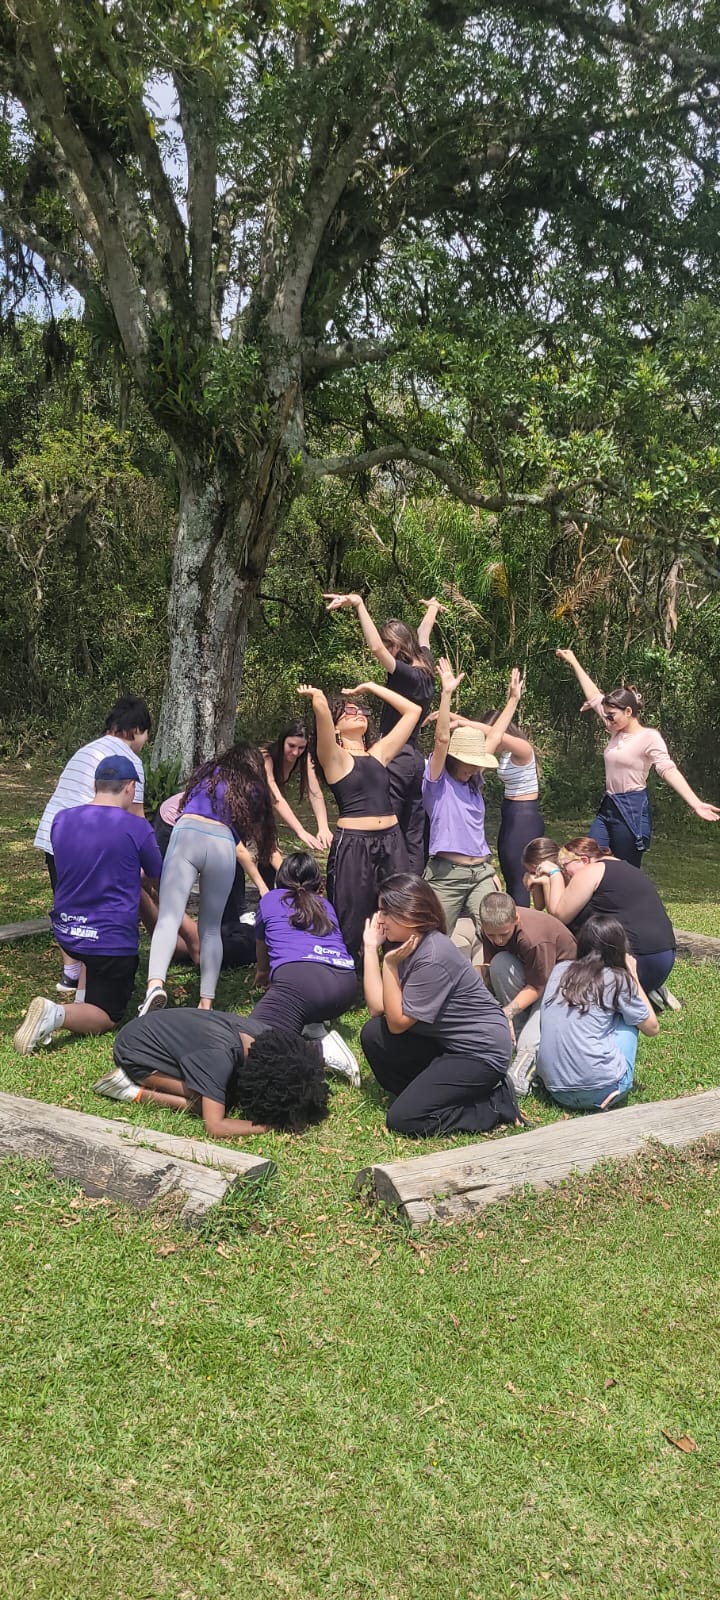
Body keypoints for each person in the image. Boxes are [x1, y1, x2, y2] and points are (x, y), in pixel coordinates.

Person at [14, 755, 163, 1054]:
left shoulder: (62, 819)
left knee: (90, 956)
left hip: (68, 932)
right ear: (130, 787)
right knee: (108, 1015)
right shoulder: (137, 827)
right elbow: (158, 876)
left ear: (95, 785)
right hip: (109, 941)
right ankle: (56, 1013)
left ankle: (81, 999)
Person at [360, 874, 519, 1136]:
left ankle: (494, 1103)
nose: (380, 918)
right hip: (448, 1044)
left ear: (410, 914)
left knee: (404, 1120)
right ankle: (427, 1096)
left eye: (386, 911)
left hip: (479, 1053)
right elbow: (378, 1008)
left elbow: (398, 1024)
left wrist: (388, 965)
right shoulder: (408, 946)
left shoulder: (432, 955)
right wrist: (369, 948)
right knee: (374, 1034)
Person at [139, 743, 276, 1016]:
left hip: (188, 831)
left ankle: (155, 984)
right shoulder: (255, 789)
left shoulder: (208, 774)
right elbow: (257, 837)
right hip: (222, 843)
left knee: (169, 915)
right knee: (212, 928)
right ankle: (206, 1002)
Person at [33, 694, 152, 997]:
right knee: (97, 903)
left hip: (55, 833)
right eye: (146, 733)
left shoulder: (86, 750)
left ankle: (71, 973)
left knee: (67, 899)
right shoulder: (129, 763)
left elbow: (62, 786)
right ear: (135, 730)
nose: (145, 740)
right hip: (92, 838)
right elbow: (135, 818)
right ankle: (93, 965)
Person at [556, 647, 720, 865]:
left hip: (632, 806)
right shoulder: (615, 728)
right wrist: (574, 661)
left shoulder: (649, 737)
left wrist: (695, 803)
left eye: (611, 716)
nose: (607, 719)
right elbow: (595, 695)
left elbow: (667, 769)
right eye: (606, 715)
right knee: (588, 857)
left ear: (629, 712)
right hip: (609, 805)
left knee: (627, 868)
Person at [298, 678, 421, 959]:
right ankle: (350, 969)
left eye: (363, 712)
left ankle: (400, 961)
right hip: (354, 845)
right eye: (350, 712)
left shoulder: (377, 755)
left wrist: (371, 687)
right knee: (351, 911)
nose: (359, 715)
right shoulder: (334, 757)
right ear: (337, 724)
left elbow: (412, 712)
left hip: (392, 840)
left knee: (401, 903)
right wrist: (319, 697)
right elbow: (322, 715)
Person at [323, 593, 440, 870]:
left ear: (397, 645)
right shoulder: (427, 665)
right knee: (414, 830)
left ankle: (389, 883)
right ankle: (413, 889)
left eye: (390, 644)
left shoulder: (406, 674)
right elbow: (424, 632)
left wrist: (359, 605)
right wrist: (432, 607)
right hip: (415, 759)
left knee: (392, 824)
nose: (387, 649)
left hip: (395, 756)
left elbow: (376, 648)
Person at [94, 1013, 329, 1138]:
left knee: (222, 1092)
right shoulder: (217, 1058)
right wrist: (271, 1126)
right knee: (204, 1103)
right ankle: (130, 1090)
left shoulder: (263, 1036)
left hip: (159, 1029)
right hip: (136, 1052)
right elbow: (215, 1126)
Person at [422, 659, 523, 939]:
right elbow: (442, 739)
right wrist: (446, 694)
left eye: (476, 762)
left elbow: (497, 736)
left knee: (499, 932)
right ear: (454, 759)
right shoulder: (437, 782)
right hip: (446, 875)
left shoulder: (474, 779)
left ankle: (489, 980)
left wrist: (512, 700)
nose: (473, 767)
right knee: (434, 936)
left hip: (480, 871)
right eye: (467, 762)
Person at [248, 852, 360, 1085]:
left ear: (280, 878)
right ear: (318, 883)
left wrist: (262, 972)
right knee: (295, 1013)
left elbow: (262, 944)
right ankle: (313, 1025)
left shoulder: (270, 899)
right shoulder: (325, 905)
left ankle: (318, 1050)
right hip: (346, 985)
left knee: (254, 1044)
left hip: (302, 983)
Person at [526, 835, 677, 1003]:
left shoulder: (591, 871)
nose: (564, 873)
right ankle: (644, 991)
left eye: (564, 867)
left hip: (635, 963)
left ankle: (633, 993)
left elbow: (559, 915)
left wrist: (553, 875)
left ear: (584, 860)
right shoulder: (622, 866)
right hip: (663, 960)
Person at [536, 915, 659, 1110]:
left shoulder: (560, 970)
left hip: (556, 1090)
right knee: (629, 1017)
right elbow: (652, 1027)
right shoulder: (617, 979)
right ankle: (604, 1073)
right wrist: (633, 977)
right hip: (605, 1091)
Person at [439, 696, 543, 905]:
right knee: (508, 870)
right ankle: (514, 915)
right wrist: (449, 716)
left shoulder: (523, 749)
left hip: (525, 815)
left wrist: (462, 722)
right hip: (511, 811)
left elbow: (496, 735)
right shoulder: (504, 754)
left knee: (518, 875)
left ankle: (520, 919)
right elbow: (489, 736)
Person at [477, 891, 576, 1095]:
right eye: (491, 935)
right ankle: (519, 1032)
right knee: (499, 964)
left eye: (503, 934)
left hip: (560, 982)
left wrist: (506, 1013)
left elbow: (539, 986)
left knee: (528, 1041)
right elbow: (490, 967)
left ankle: (523, 1071)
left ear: (516, 919)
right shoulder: (491, 928)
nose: (497, 940)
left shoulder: (533, 939)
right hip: (530, 974)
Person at [263, 720, 333, 852]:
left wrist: (324, 827)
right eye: (291, 745)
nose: (295, 752)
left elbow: (315, 793)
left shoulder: (305, 757)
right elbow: (275, 798)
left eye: (301, 748)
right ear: (282, 741)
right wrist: (300, 831)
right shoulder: (266, 757)